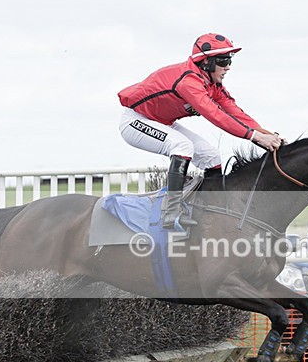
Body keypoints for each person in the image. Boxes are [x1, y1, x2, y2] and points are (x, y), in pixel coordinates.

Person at [118, 33, 283, 229]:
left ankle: (212, 209)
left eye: (229, 60)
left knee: (211, 156)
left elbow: (234, 112)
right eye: (223, 61)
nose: (228, 66)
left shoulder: (212, 84)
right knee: (182, 146)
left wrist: (266, 135)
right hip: (135, 121)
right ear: (206, 62)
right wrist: (255, 137)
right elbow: (216, 115)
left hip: (162, 122)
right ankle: (171, 213)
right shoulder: (189, 82)